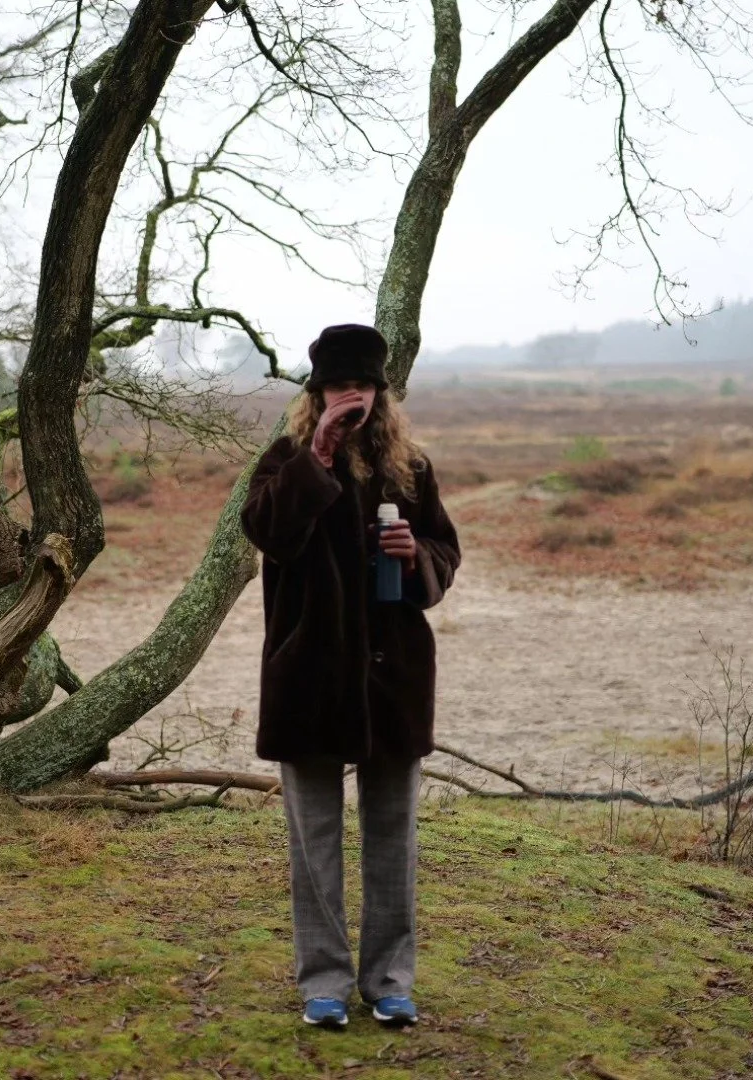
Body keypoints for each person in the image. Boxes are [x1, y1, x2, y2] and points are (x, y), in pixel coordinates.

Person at [239, 323, 461, 1029]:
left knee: (393, 838)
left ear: (382, 393)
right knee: (314, 842)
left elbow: (445, 553)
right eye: (339, 388)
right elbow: (267, 530)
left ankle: (390, 980)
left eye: (363, 387)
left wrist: (414, 553)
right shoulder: (285, 459)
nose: (352, 398)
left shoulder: (412, 469)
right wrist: (322, 454)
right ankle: (325, 984)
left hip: (392, 680)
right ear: (317, 394)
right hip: (308, 675)